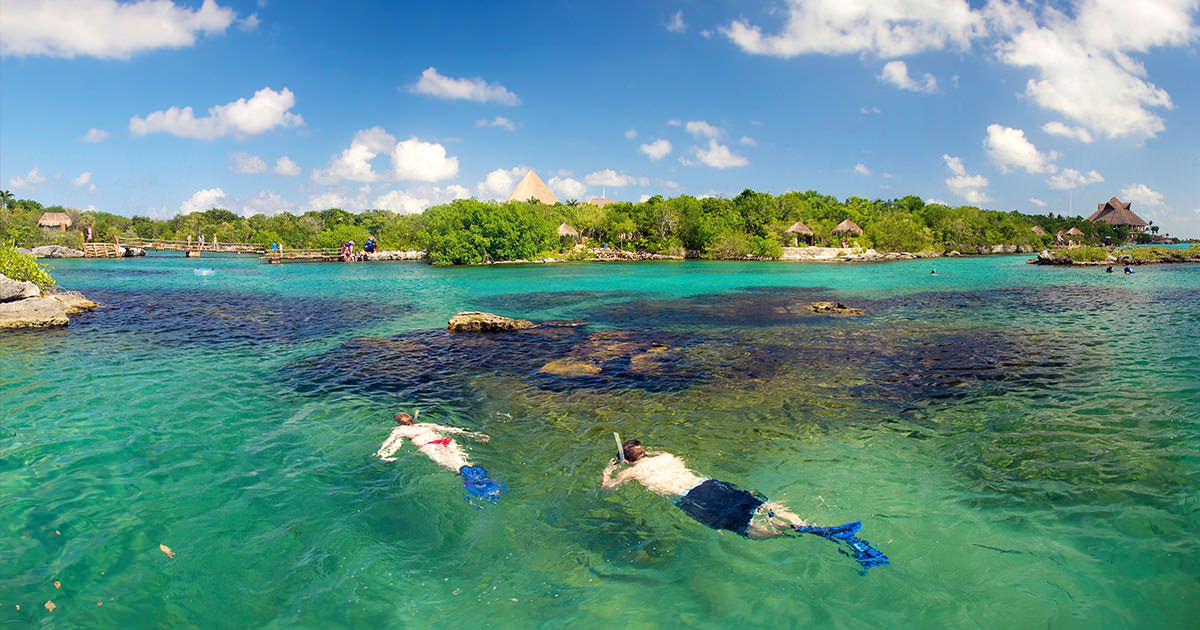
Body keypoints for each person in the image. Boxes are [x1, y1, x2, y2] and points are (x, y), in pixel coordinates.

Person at [601, 439, 888, 572]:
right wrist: (639, 453)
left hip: (692, 499)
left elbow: (607, 488)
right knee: (761, 507)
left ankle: (811, 533)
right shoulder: (666, 457)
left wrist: (609, 468)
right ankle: (810, 527)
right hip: (710, 484)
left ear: (627, 459)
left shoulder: (632, 472)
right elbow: (656, 452)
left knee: (741, 527)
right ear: (645, 451)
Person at [376, 411, 503, 502]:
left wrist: (383, 454)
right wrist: (474, 435)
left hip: (431, 446)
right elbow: (451, 429)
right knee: (461, 461)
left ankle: (480, 489)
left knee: (455, 466)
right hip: (446, 441)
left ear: (399, 422)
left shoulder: (399, 430)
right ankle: (483, 479)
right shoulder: (424, 425)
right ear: (411, 419)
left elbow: (391, 442)